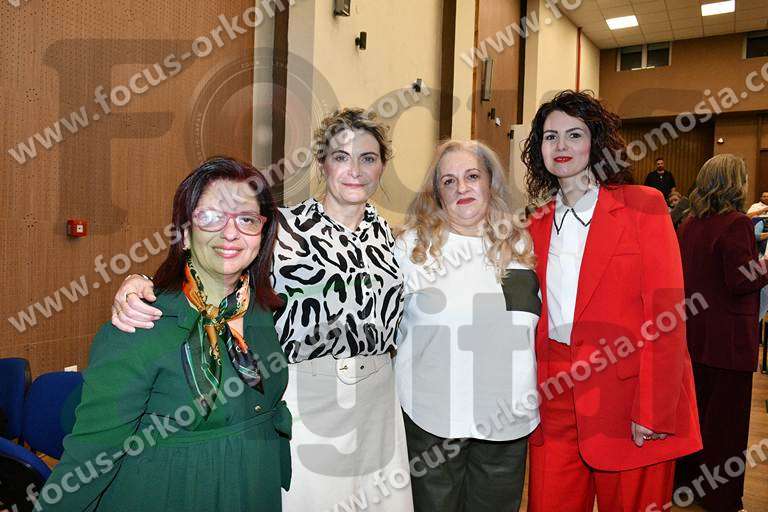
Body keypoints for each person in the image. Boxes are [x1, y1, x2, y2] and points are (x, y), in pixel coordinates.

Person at [109, 109, 414, 511]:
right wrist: (141, 282)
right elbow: (209, 269)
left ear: (382, 166)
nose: (355, 170)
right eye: (341, 156)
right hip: (309, 396)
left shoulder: (392, 237)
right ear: (322, 163)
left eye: (368, 158)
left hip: (378, 396)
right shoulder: (281, 229)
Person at [39, 157, 291, 511]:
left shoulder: (264, 312)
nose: (231, 232)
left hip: (252, 487)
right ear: (185, 234)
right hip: (171, 493)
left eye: (247, 219)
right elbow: (91, 456)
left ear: (262, 234)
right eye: (211, 217)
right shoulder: (141, 324)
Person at [521, 90, 702, 511]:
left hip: (629, 394)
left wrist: (654, 409)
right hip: (554, 396)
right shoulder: (534, 224)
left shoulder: (643, 206)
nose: (561, 145)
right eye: (550, 136)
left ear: (596, 142)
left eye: (574, 134)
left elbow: (667, 315)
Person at [395, 140, 539, 511]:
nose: (461, 187)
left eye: (472, 176)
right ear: (437, 193)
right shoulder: (412, 248)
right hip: (432, 420)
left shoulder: (520, 243)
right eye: (449, 181)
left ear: (491, 182)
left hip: (506, 421)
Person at [677, 154, 768, 512]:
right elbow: (740, 280)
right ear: (735, 182)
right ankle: (722, 499)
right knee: (726, 428)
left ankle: (688, 485)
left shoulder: (690, 223)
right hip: (729, 341)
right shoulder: (737, 223)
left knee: (696, 420)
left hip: (695, 335)